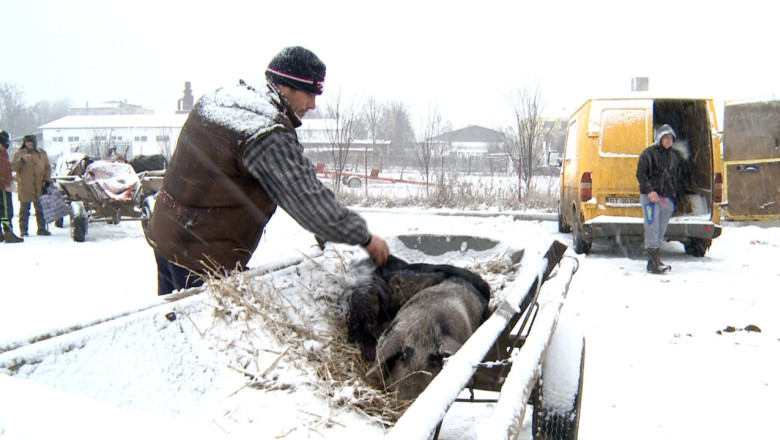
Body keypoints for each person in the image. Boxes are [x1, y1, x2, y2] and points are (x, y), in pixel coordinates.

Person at [147, 46, 390, 295]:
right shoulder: (263, 130)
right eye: (309, 94)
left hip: (167, 237)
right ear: (287, 86)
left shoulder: (219, 100)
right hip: (201, 257)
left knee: (176, 324)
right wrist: (364, 239)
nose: (313, 104)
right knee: (207, 330)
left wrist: (328, 234)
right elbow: (305, 196)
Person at [636, 124, 689, 274]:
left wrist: (674, 197)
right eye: (665, 138)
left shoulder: (674, 156)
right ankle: (653, 262)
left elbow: (676, 177)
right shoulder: (648, 154)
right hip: (650, 198)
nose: (668, 140)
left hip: (666, 199)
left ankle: (657, 258)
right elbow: (641, 174)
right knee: (652, 227)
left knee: (660, 229)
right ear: (659, 139)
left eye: (670, 138)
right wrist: (649, 190)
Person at [11, 134, 52, 237]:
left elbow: (47, 168)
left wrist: (47, 180)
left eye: (31, 142)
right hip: (25, 186)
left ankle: (42, 229)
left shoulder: (42, 153)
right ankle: (23, 231)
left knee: (40, 210)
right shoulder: (19, 154)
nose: (30, 144)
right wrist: (22, 160)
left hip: (39, 186)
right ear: (24, 143)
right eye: (28, 142)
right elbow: (13, 167)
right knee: (24, 211)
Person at [0, 130, 23, 243]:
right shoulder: (1, 150)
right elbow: (3, 167)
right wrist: (7, 182)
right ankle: (8, 233)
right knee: (6, 210)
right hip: (2, 186)